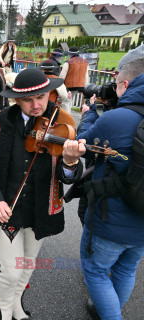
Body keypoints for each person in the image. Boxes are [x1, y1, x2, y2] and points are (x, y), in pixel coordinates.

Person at [0, 68, 85, 320]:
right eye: (28, 100)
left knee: (27, 266)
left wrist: (69, 163)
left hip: (39, 209)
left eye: (42, 97)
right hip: (8, 209)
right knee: (11, 271)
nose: (36, 105)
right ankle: (2, 311)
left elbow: (69, 177)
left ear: (50, 94)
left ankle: (15, 305)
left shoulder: (64, 122)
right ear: (15, 99)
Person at [77, 58, 144, 320]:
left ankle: (111, 315)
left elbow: (83, 141)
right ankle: (108, 310)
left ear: (125, 84)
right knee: (127, 269)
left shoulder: (117, 118)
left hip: (110, 218)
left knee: (94, 270)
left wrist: (91, 112)